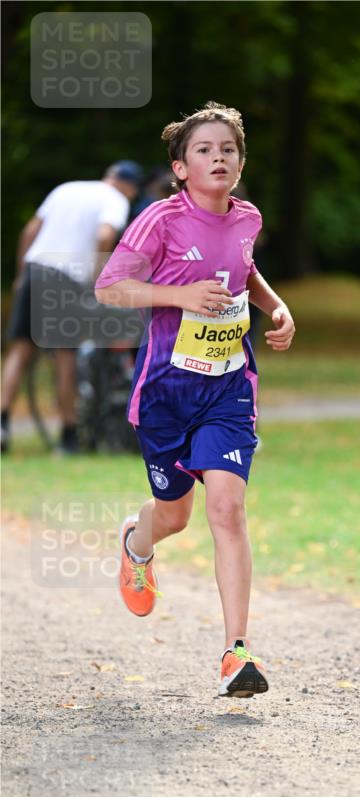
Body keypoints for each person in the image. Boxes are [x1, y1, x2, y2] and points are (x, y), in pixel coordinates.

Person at [94, 102, 296, 699]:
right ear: (181, 167)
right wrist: (178, 296)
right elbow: (111, 289)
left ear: (240, 163)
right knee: (175, 514)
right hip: (165, 394)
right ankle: (138, 541)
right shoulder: (160, 220)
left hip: (228, 390)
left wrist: (276, 307)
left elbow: (246, 271)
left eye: (228, 150)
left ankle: (237, 653)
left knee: (227, 512)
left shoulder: (247, 218)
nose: (218, 159)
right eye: (204, 151)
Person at [0, 161, 144, 454]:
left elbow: (29, 232)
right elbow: (105, 236)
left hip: (34, 268)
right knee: (65, 355)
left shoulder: (67, 188)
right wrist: (99, 281)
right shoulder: (115, 200)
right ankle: (68, 436)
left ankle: (2, 423)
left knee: (20, 350)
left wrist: (20, 276)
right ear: (129, 188)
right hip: (65, 279)